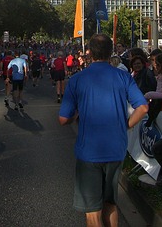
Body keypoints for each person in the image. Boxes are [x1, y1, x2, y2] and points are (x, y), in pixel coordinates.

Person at [59, 33, 148, 227]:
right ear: (111, 52)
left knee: (93, 212)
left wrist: (76, 115)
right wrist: (126, 125)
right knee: (110, 203)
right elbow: (143, 107)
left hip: (89, 151)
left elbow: (63, 119)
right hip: (116, 149)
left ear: (89, 53)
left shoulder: (76, 79)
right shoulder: (124, 76)